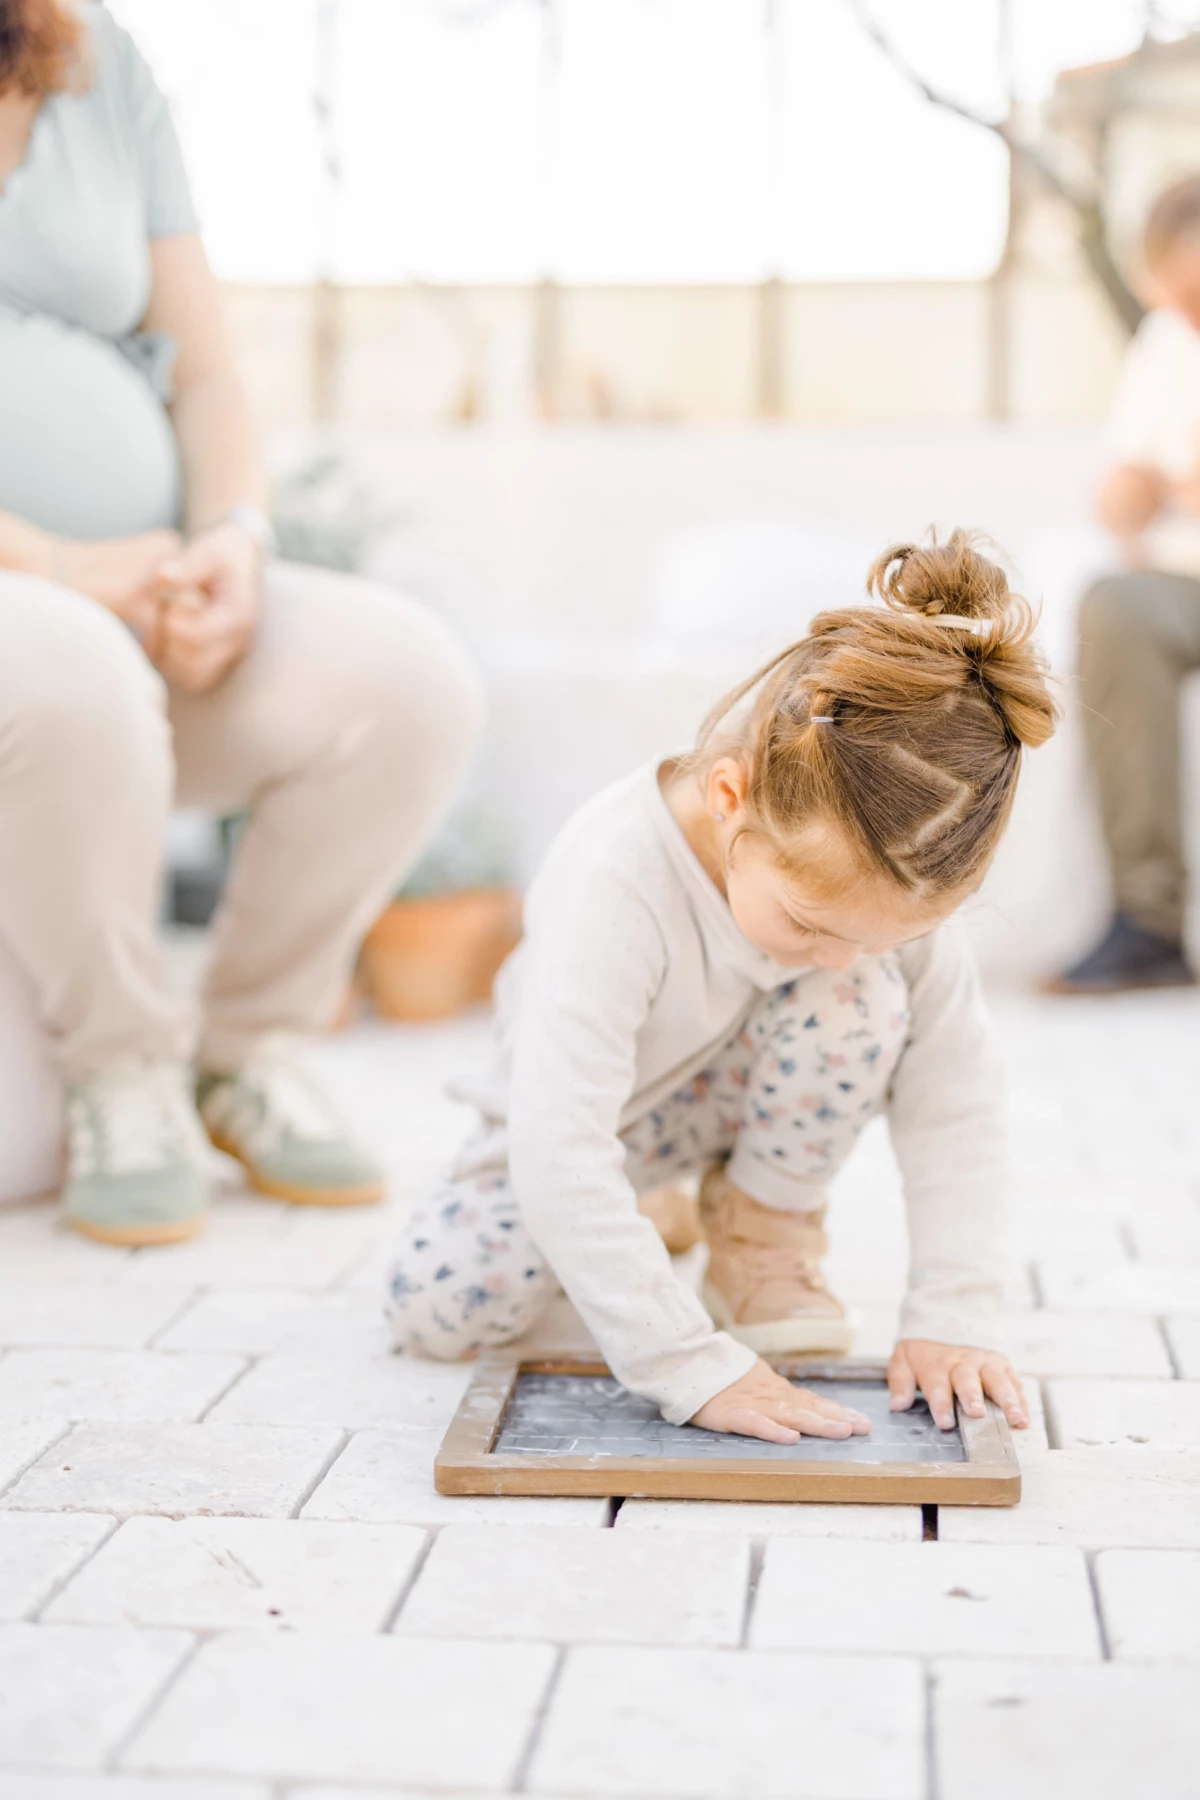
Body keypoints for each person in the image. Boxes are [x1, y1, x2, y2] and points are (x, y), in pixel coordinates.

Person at [386, 533, 1053, 1444]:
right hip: (581, 1118)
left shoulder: (895, 883)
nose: (839, 956)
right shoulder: (615, 879)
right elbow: (558, 1140)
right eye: (810, 924)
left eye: (888, 938)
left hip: (733, 1100)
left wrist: (957, 1313)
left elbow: (955, 1096)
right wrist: (684, 1364)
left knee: (860, 1001)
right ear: (731, 799)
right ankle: (650, 1208)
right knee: (441, 1308)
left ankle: (757, 1234)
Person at [0, 2, 484, 1244]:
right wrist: (55, 567)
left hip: (137, 599)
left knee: (407, 682)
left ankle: (243, 1050)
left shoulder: (91, 51)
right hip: (53, 630)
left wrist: (232, 540)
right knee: (73, 666)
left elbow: (207, 371)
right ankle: (120, 1067)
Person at [1051, 175, 1200, 994]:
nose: (1186, 312)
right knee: (1110, 607)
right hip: (1178, 582)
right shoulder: (1164, 346)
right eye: (1176, 293)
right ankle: (1148, 921)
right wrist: (1129, 495)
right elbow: (1122, 491)